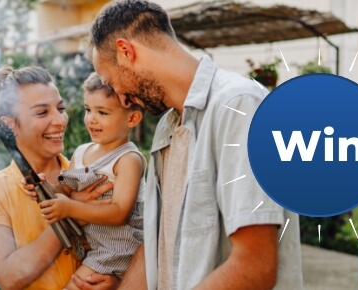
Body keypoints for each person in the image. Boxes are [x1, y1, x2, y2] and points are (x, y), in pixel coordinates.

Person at [85, 1, 303, 289]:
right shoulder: (168, 127)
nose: (122, 99)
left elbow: (255, 266)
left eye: (111, 82)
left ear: (127, 52)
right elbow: (157, 245)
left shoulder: (238, 106)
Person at [0, 66, 119, 290]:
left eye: (60, 108)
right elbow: (9, 277)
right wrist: (75, 213)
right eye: (42, 112)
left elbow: (125, 240)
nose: (60, 121)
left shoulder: (90, 174)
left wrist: (117, 279)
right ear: (9, 124)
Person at [38, 72, 145, 290]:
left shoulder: (128, 160)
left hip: (117, 249)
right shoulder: (81, 152)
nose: (91, 119)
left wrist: (70, 209)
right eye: (88, 110)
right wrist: (44, 187)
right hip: (94, 246)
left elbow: (118, 213)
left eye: (102, 112)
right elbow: (66, 189)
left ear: (132, 119)